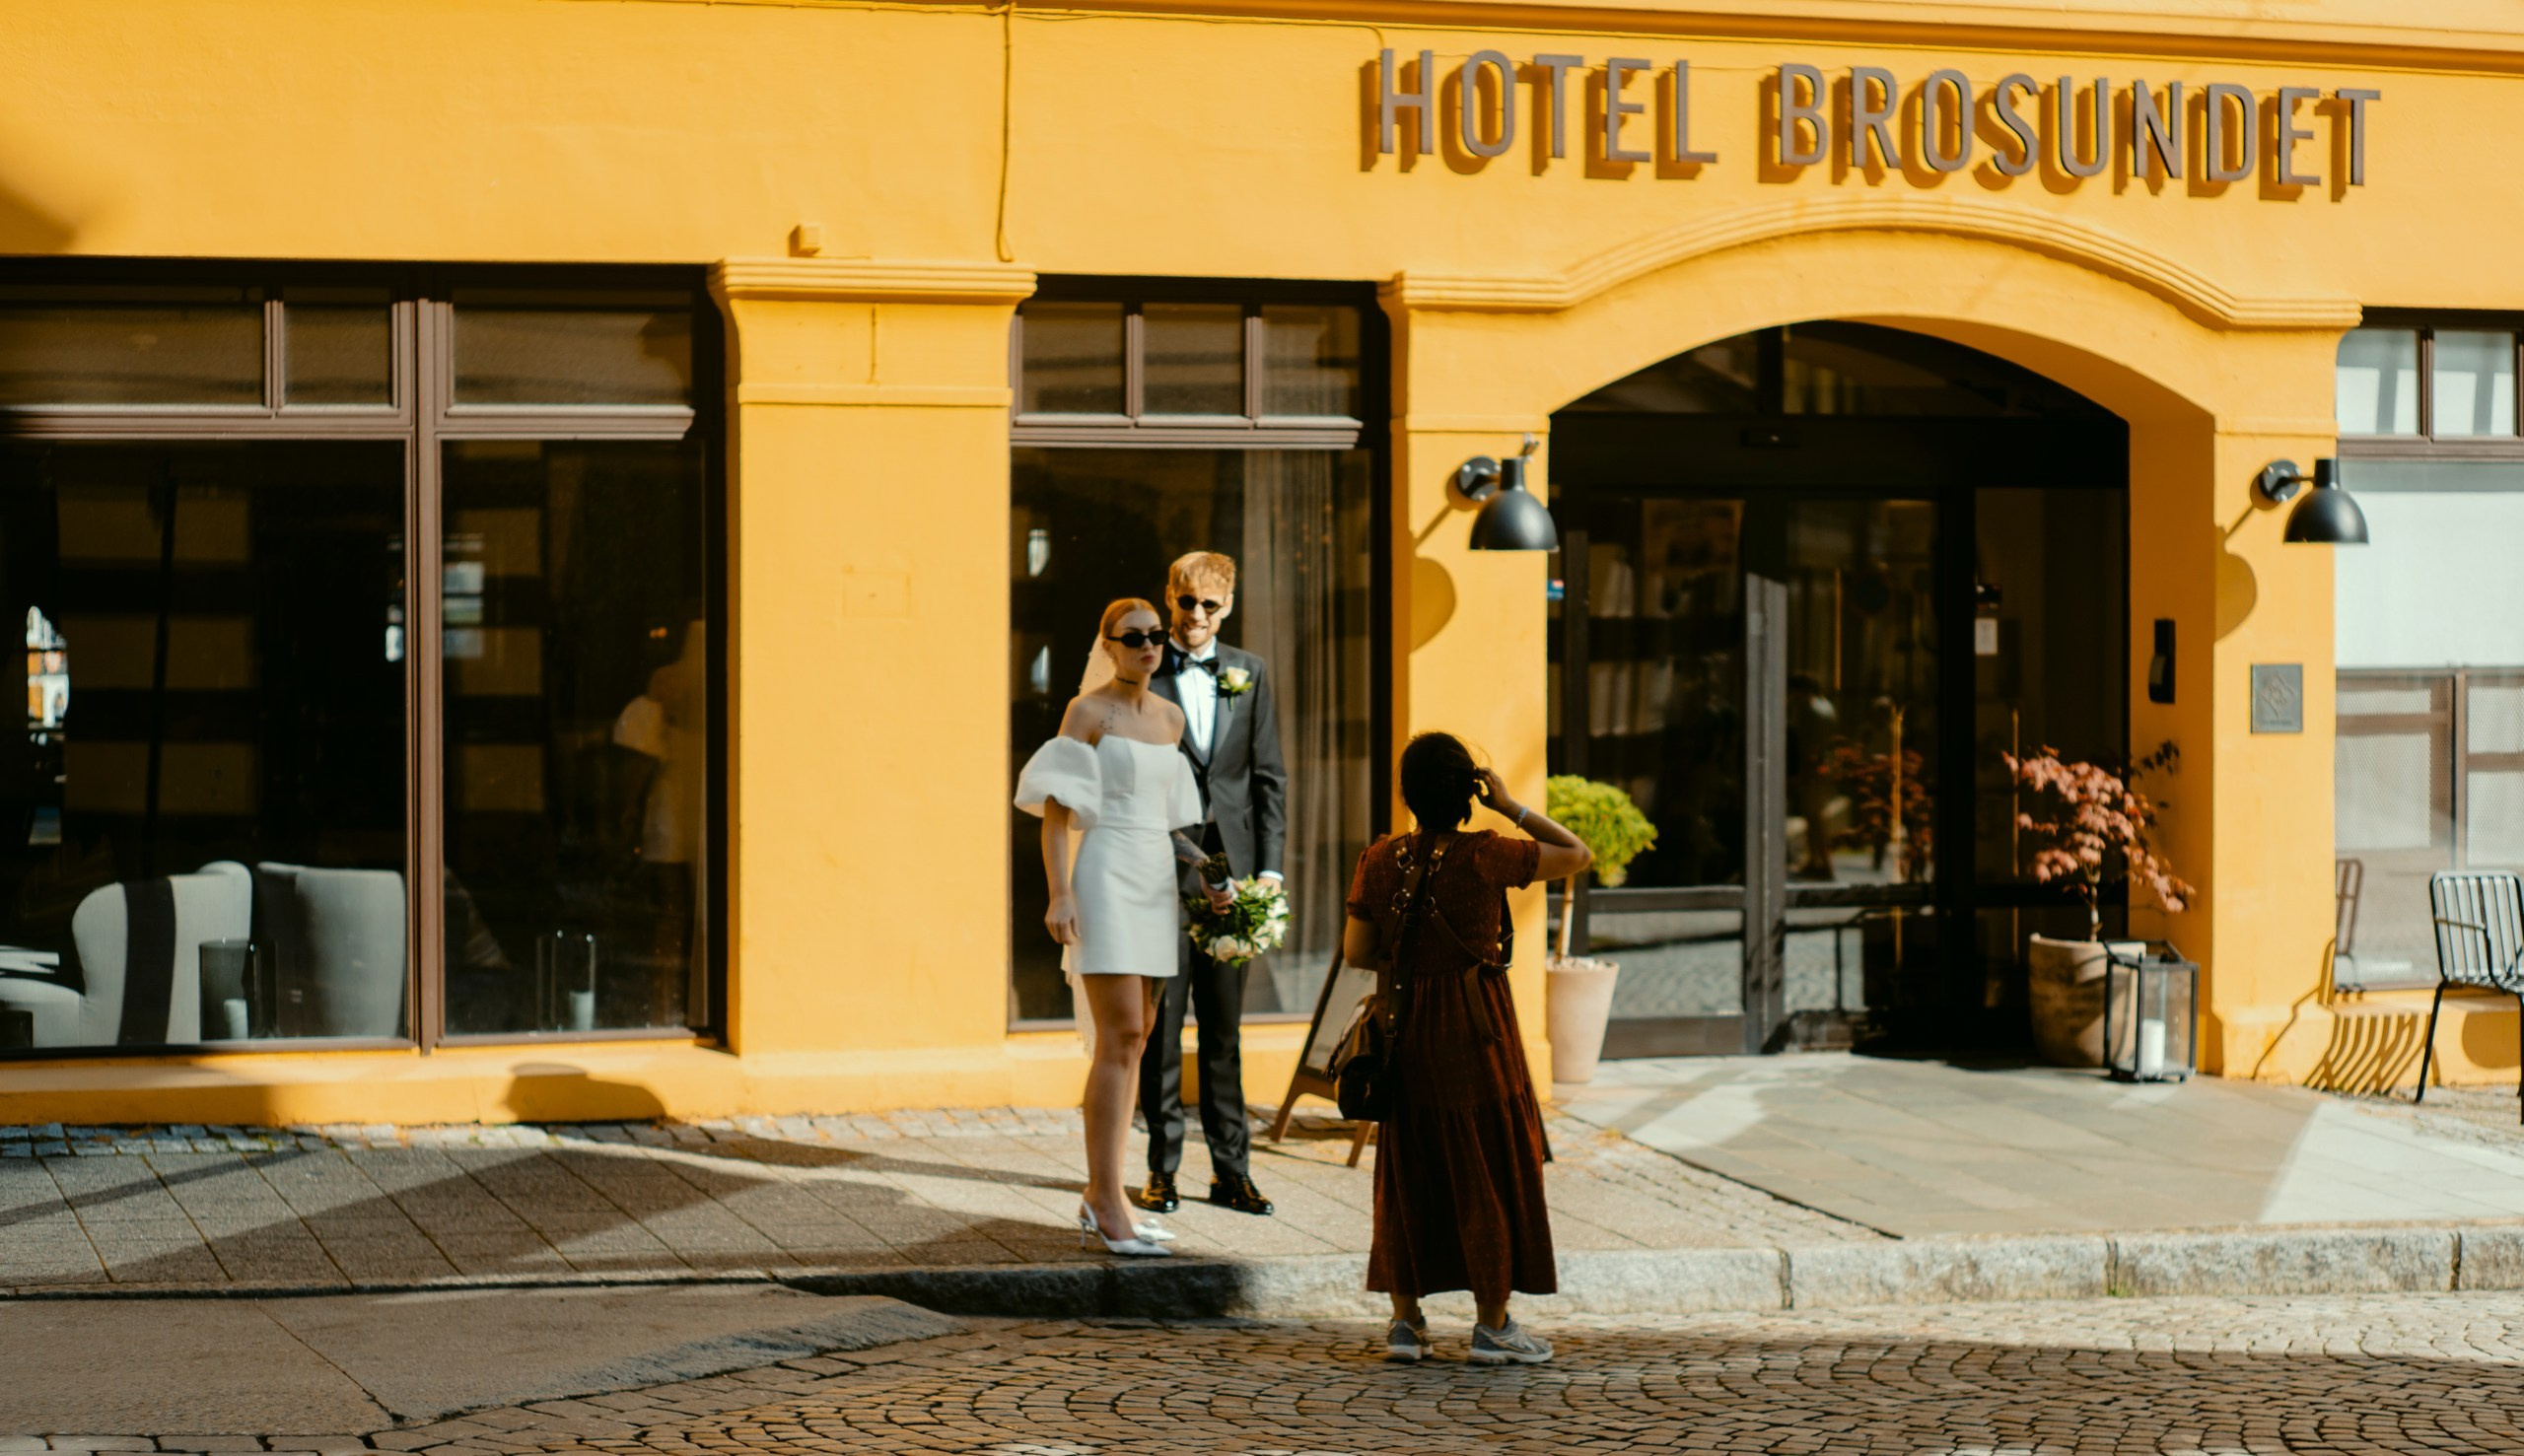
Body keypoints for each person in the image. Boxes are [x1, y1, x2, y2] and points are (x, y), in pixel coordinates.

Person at [1342, 732, 1592, 1365]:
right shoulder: (1489, 855)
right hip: (1477, 1028)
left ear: (1408, 794)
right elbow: (1576, 853)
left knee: (1408, 1165)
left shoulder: (1379, 858)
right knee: (1486, 1163)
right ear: (1467, 793)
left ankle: (1404, 1322)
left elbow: (1354, 953)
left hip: (1407, 1027)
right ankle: (1492, 1325)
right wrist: (1509, 805)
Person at [1016, 598, 1207, 1258]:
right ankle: (1102, 1197)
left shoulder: (1170, 717)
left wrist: (1206, 870)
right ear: (1110, 643)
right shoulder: (1087, 711)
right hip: (1103, 874)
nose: (1148, 645)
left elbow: (1167, 818)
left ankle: (1113, 1194)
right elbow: (1056, 811)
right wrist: (1060, 893)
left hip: (1155, 876)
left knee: (1141, 1035)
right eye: (1134, 637)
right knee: (1120, 1033)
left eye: (1157, 636)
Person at [1138, 550, 1287, 1218]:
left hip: (1235, 875)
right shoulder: (1141, 668)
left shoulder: (1247, 672)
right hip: (1160, 871)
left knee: (1224, 1032)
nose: (1196, 617)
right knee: (1162, 1028)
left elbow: (1267, 779)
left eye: (1209, 606)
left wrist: (1271, 871)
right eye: (1185, 603)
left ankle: (1233, 1170)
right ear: (1170, 598)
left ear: (1227, 607)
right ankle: (1161, 1169)